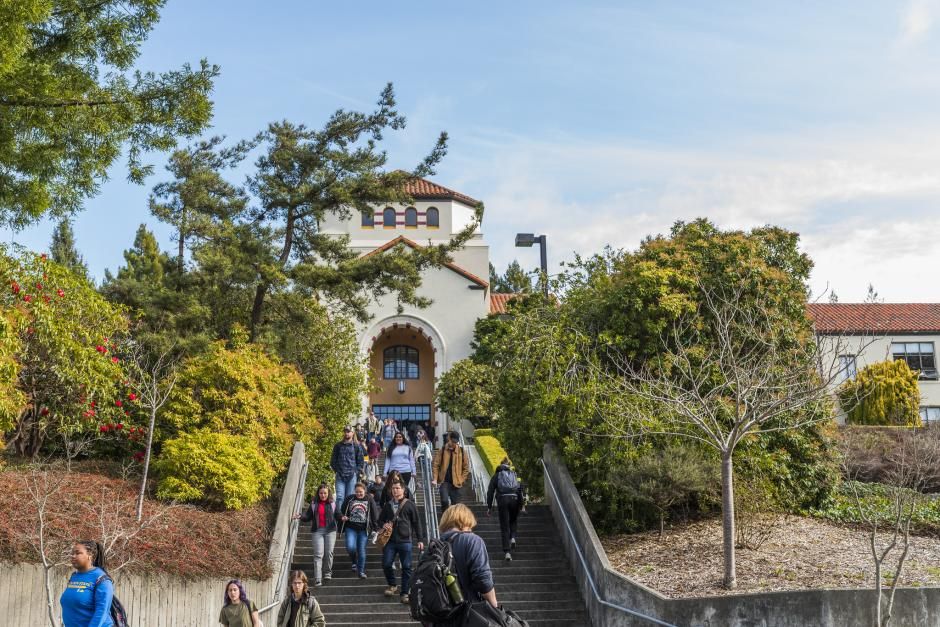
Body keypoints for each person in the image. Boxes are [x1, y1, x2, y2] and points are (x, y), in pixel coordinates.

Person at [438, 504, 498, 608]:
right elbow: (483, 580)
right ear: (466, 520)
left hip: (441, 613)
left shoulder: (435, 546)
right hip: (469, 612)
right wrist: (495, 607)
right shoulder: (472, 540)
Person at [377, 480, 425, 604]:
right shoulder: (387, 505)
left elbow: (416, 523)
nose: (395, 490)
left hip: (405, 540)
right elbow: (379, 521)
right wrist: (385, 524)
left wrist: (420, 539)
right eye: (393, 488)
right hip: (390, 541)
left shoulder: (410, 504)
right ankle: (392, 585)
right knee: (386, 564)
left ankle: (405, 593)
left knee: (407, 567)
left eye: (398, 488)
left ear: (403, 490)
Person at [60, 539, 114, 627]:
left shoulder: (102, 579)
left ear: (90, 555)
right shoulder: (74, 576)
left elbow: (102, 612)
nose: (73, 556)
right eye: (72, 553)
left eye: (78, 553)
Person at [294, 484, 337, 587]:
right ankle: (318, 579)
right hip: (317, 531)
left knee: (329, 552)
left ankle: (327, 573)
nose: (323, 495)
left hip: (330, 531)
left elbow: (338, 514)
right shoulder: (314, 503)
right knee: (318, 554)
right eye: (321, 493)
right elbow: (308, 515)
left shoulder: (332, 503)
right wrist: (300, 516)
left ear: (328, 493)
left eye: (325, 493)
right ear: (318, 493)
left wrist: (343, 517)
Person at [338, 481, 380, 577]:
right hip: (350, 528)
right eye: (357, 492)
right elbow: (341, 511)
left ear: (365, 491)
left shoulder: (369, 499)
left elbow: (374, 514)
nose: (358, 494)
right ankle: (354, 561)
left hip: (364, 530)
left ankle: (361, 571)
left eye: (360, 492)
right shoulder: (350, 498)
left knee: (361, 550)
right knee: (350, 547)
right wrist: (342, 517)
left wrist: (376, 528)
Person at [486, 458, 525, 561]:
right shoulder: (514, 474)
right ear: (509, 465)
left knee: (504, 526)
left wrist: (489, 507)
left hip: (503, 500)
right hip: (514, 500)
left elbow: (490, 492)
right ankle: (512, 537)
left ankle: (507, 552)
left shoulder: (497, 475)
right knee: (513, 520)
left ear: (501, 465)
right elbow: (520, 489)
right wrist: (521, 505)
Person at [432, 431, 469, 514]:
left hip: (457, 484)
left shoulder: (462, 452)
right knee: (444, 501)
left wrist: (461, 479)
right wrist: (435, 478)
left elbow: (466, 468)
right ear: (449, 439)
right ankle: (445, 520)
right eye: (452, 441)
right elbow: (436, 465)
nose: (453, 443)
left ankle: (454, 523)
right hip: (444, 482)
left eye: (455, 442)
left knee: (456, 506)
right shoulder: (443, 450)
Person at [330, 425, 365, 509]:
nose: (346, 433)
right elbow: (333, 461)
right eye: (345, 431)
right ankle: (338, 518)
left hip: (352, 476)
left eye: (348, 431)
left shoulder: (357, 446)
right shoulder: (338, 446)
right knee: (340, 497)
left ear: (352, 433)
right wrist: (337, 471)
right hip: (340, 475)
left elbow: (361, 462)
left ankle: (348, 518)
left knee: (350, 497)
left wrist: (355, 472)